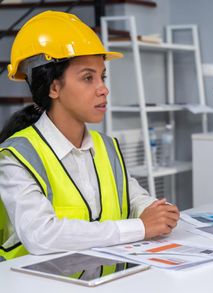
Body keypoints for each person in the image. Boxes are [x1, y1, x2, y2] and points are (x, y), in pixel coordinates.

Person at [0, 11, 180, 261]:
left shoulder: (106, 147)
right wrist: (140, 227)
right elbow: (41, 234)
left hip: (105, 287)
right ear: (54, 87)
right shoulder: (15, 157)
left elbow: (134, 197)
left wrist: (156, 211)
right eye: (88, 78)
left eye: (102, 76)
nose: (103, 89)